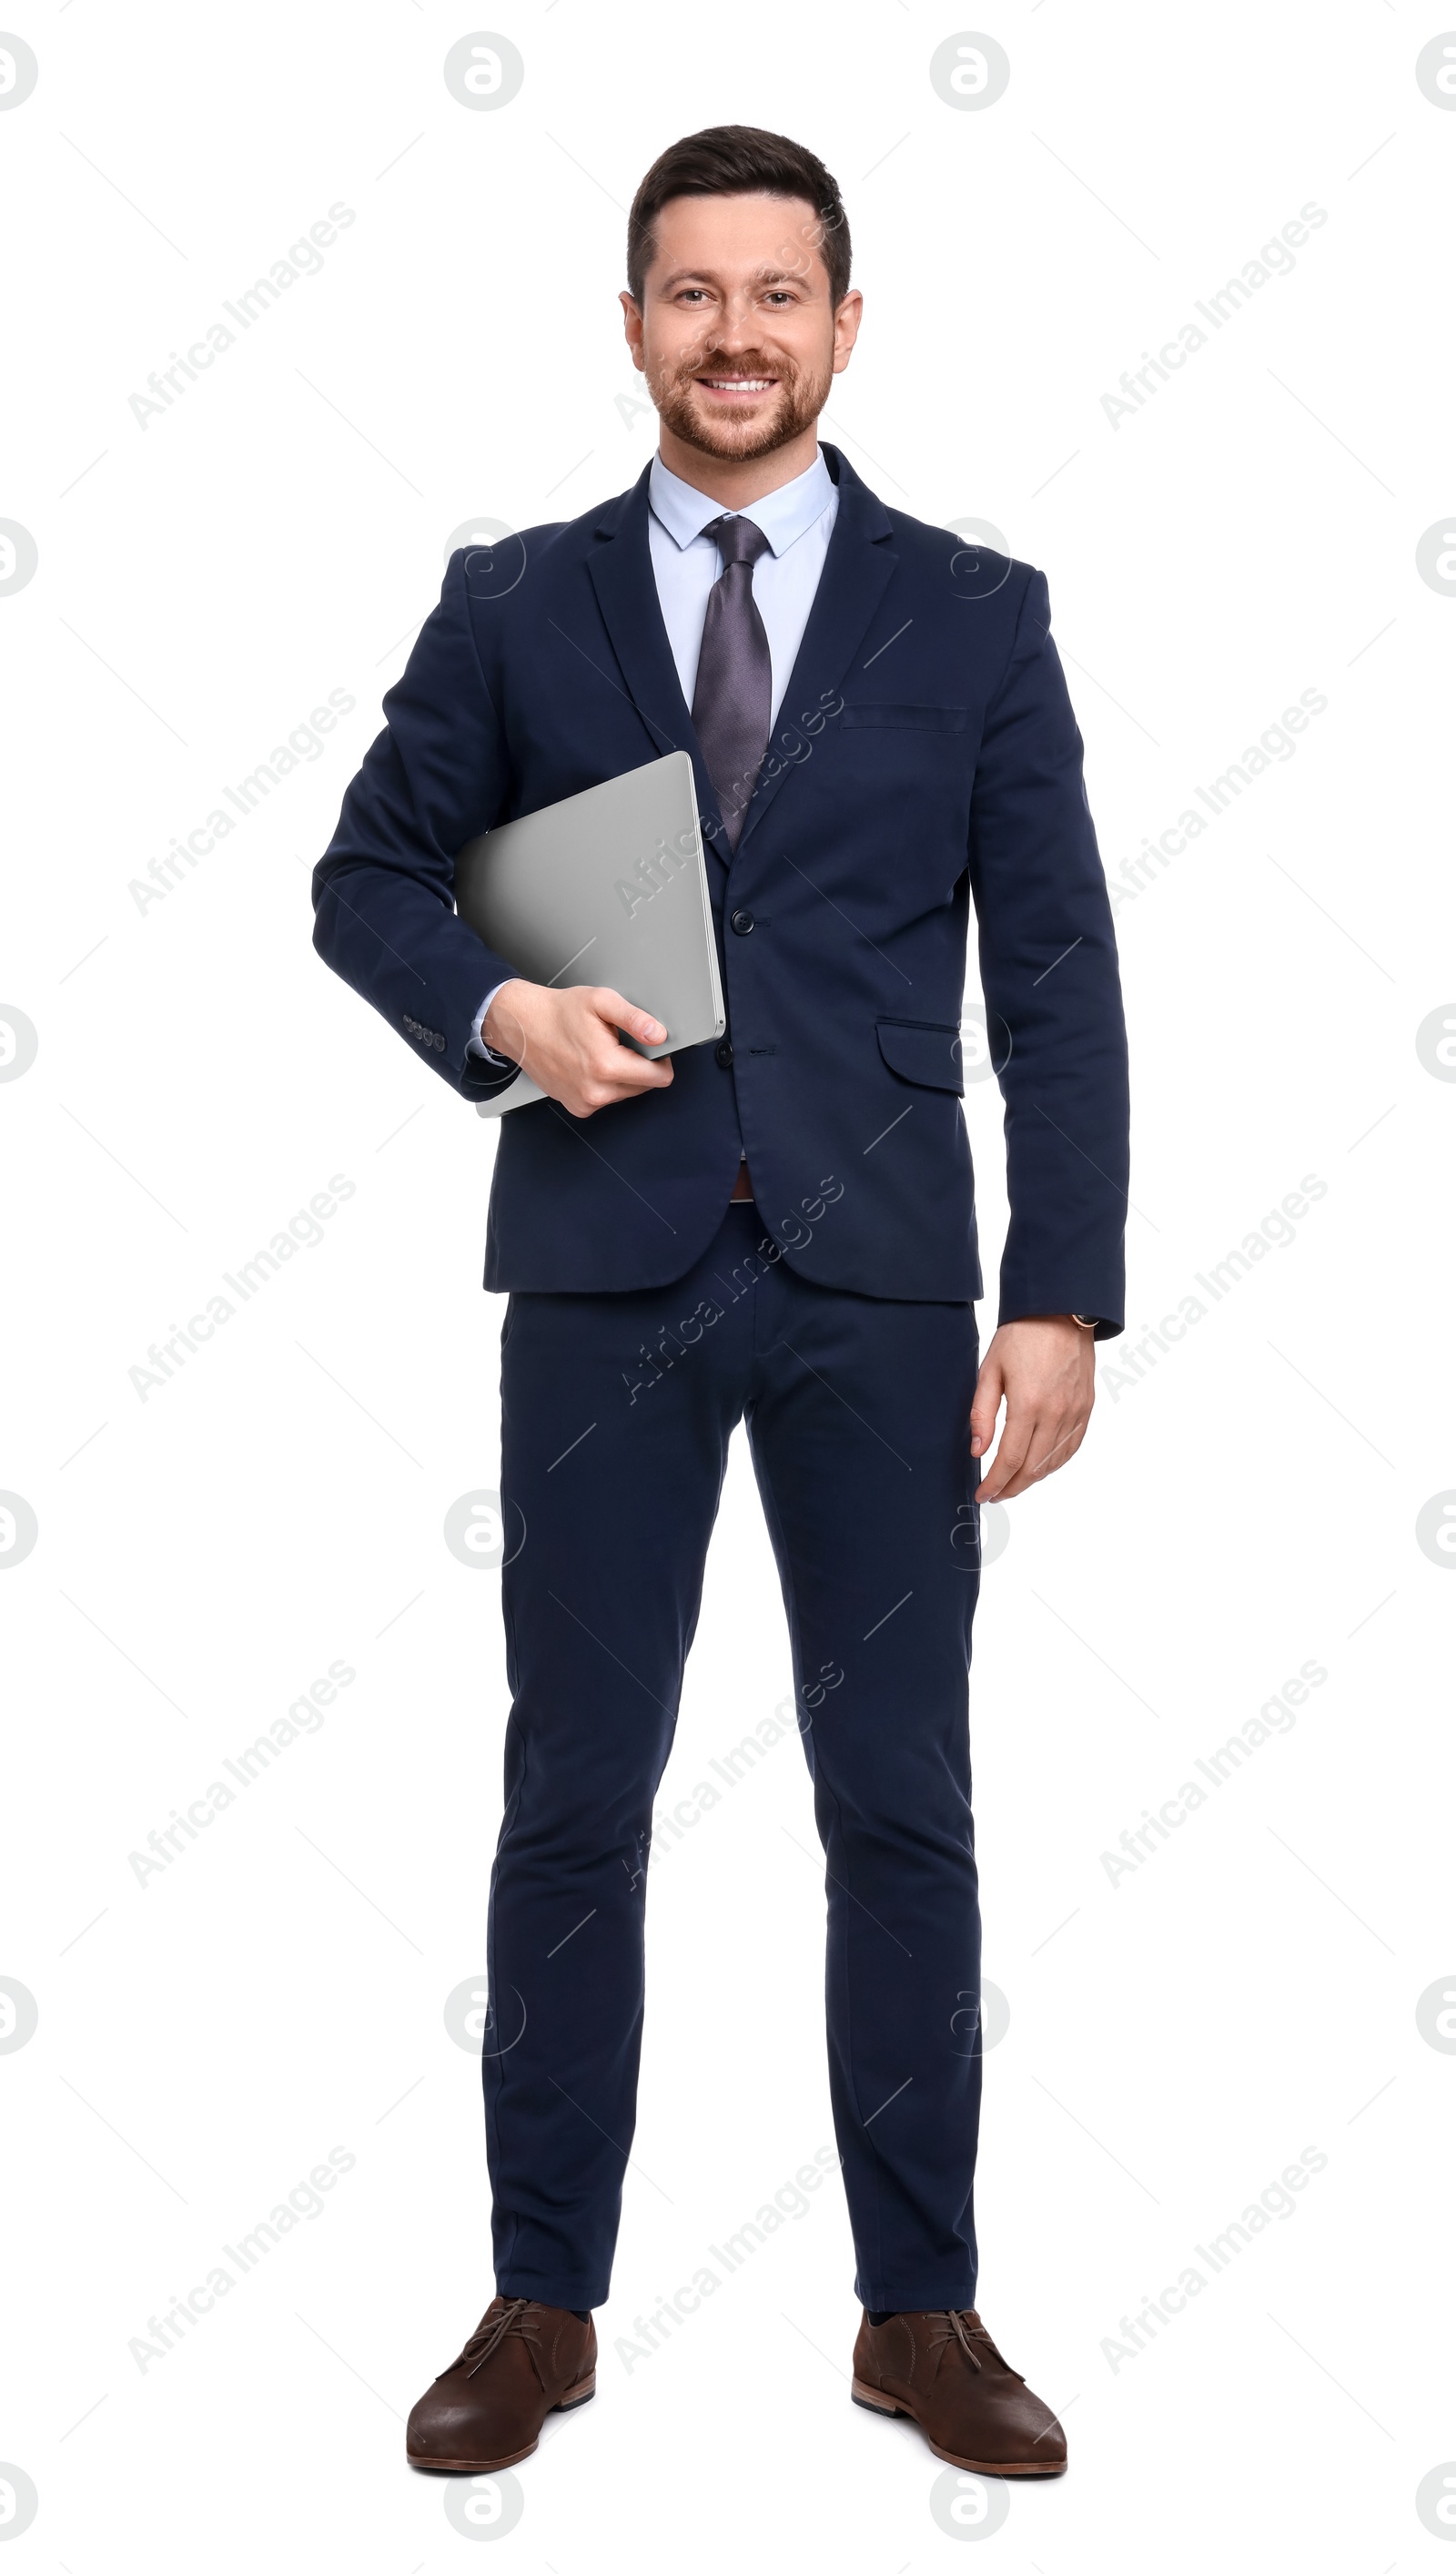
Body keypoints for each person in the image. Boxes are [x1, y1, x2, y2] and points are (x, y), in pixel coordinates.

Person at [312, 123, 1128, 2481]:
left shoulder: (979, 618)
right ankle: (542, 2297)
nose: (738, 335)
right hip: (601, 1274)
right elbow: (375, 876)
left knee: (906, 1802)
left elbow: (1057, 973)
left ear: (845, 327)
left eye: (782, 295)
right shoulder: (516, 604)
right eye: (695, 293)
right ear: (636, 321)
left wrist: (1062, 1289)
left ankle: (920, 2308)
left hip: (880, 1287)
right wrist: (503, 1012)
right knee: (573, 1796)